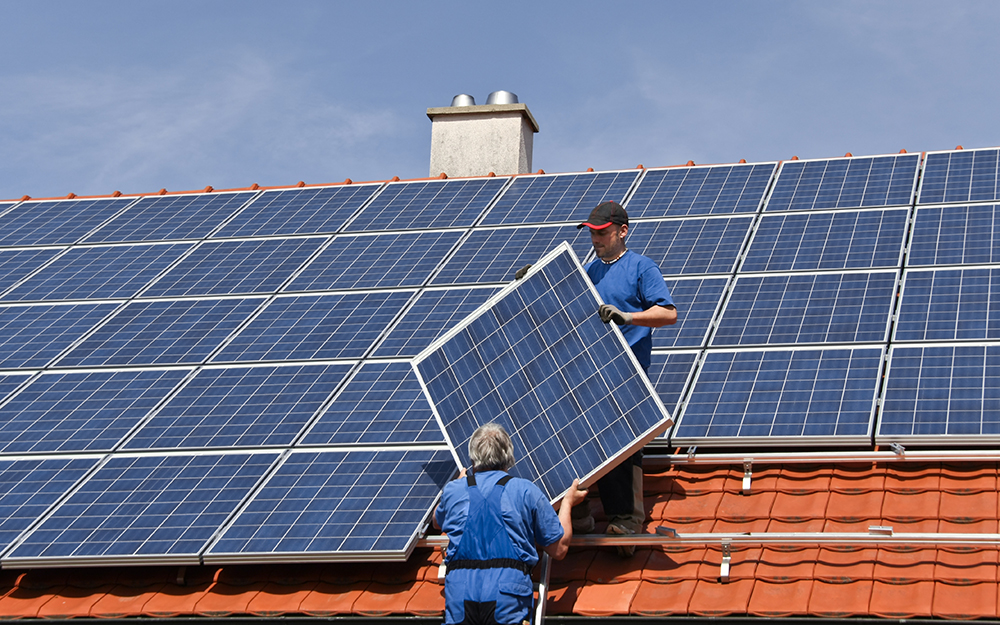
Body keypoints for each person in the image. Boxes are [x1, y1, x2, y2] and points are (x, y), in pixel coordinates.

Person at [576, 200, 677, 556]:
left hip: (628, 371)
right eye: (592, 234)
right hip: (591, 371)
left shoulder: (641, 267)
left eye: (602, 233)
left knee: (623, 443)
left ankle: (626, 521)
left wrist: (628, 318)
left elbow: (667, 313)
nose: (596, 239)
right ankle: (579, 512)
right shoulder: (588, 271)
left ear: (622, 231)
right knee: (577, 439)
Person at [435, 422, 588, 625]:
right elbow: (558, 549)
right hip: (507, 597)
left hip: (460, 595)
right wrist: (567, 503)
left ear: (473, 458)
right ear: (508, 458)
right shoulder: (525, 491)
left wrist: (458, 484)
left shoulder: (454, 490)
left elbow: (438, 522)